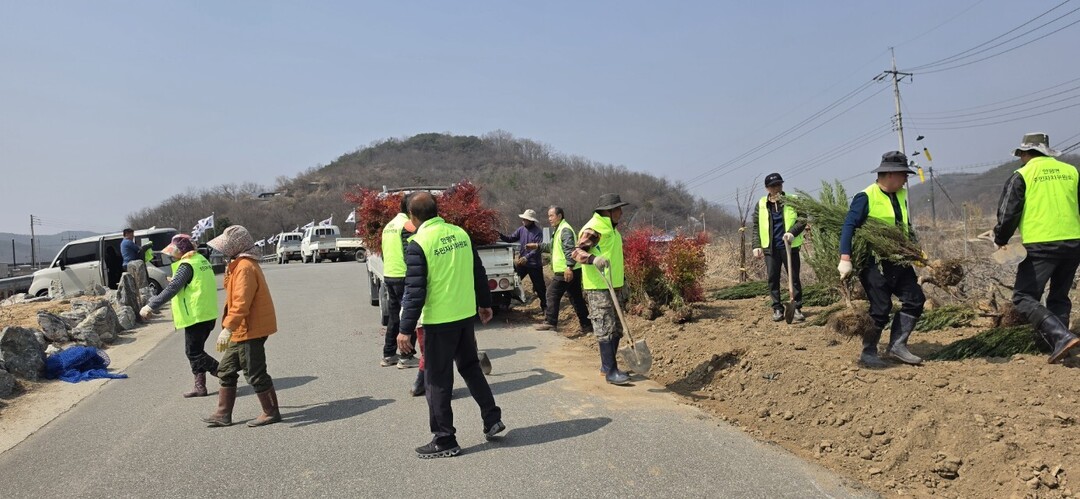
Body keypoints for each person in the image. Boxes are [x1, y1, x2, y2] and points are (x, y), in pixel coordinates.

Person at [398, 192, 504, 458]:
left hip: (438, 321)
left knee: (437, 380)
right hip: (464, 317)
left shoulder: (418, 242)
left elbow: (415, 290)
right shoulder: (459, 233)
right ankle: (492, 419)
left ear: (412, 216)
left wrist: (404, 328)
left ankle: (444, 439)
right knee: (471, 369)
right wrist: (485, 303)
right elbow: (477, 271)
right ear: (436, 210)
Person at [993, 132, 1080, 364]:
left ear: (1024, 154)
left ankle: (1061, 337)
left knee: (1023, 297)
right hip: (1073, 243)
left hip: (1041, 244)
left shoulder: (1022, 175)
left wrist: (1001, 238)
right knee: (1059, 297)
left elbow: (1008, 212)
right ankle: (1063, 347)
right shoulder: (1071, 172)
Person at [838, 152, 925, 367]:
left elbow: (904, 224)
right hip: (873, 262)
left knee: (915, 300)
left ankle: (897, 345)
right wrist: (845, 258)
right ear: (889, 174)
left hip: (899, 259)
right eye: (903, 174)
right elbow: (849, 226)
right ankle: (868, 352)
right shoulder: (866, 197)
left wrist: (916, 251)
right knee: (881, 307)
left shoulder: (902, 194)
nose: (906, 178)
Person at [202, 225, 281, 428]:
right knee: (226, 369)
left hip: (249, 328)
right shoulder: (239, 264)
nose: (222, 250)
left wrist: (227, 328)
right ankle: (223, 414)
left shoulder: (245, 267)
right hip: (242, 328)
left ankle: (271, 412)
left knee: (254, 372)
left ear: (235, 246)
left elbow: (241, 303)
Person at [139, 234, 220, 398]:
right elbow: (189, 283)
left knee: (193, 352)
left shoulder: (186, 264)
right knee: (196, 350)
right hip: (207, 313)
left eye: (173, 250)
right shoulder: (201, 260)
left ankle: (225, 373)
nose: (171, 254)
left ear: (181, 250)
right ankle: (200, 386)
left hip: (196, 315)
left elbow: (173, 288)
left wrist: (150, 306)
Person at [571, 193, 632, 386]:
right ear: (607, 211)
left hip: (614, 285)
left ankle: (607, 366)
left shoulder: (611, 229)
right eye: (618, 209)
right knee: (605, 327)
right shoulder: (594, 228)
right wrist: (592, 259)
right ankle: (611, 371)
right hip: (599, 287)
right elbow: (576, 252)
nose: (621, 212)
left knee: (617, 329)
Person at [750, 173, 807, 322]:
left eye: (779, 185)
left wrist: (792, 233)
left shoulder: (793, 201)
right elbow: (756, 226)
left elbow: (802, 219)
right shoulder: (761, 204)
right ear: (767, 188)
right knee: (772, 278)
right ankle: (777, 308)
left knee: (794, 278)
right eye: (773, 186)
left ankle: (796, 308)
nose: (776, 188)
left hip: (789, 246)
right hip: (771, 248)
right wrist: (756, 245)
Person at [526, 206, 591, 332]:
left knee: (551, 294)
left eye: (551, 216)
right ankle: (586, 324)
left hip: (566, 270)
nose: (549, 218)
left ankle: (550, 322)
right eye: (548, 216)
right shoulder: (559, 229)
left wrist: (569, 267)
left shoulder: (564, 230)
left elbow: (570, 249)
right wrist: (537, 246)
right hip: (572, 269)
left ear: (560, 216)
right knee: (576, 298)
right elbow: (552, 247)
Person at [379, 194, 419, 369]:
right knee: (410, 316)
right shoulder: (407, 225)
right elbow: (411, 250)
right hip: (404, 275)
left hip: (389, 274)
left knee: (394, 317)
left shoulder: (389, 225)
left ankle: (388, 354)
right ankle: (406, 355)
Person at [500, 209, 547, 312]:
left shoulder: (537, 232)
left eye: (525, 219)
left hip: (534, 264)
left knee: (540, 287)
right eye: (523, 219)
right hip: (522, 263)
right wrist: (500, 235)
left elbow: (537, 249)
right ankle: (505, 304)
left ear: (531, 220)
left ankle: (545, 308)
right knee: (511, 282)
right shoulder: (521, 230)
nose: (523, 221)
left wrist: (527, 257)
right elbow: (511, 239)